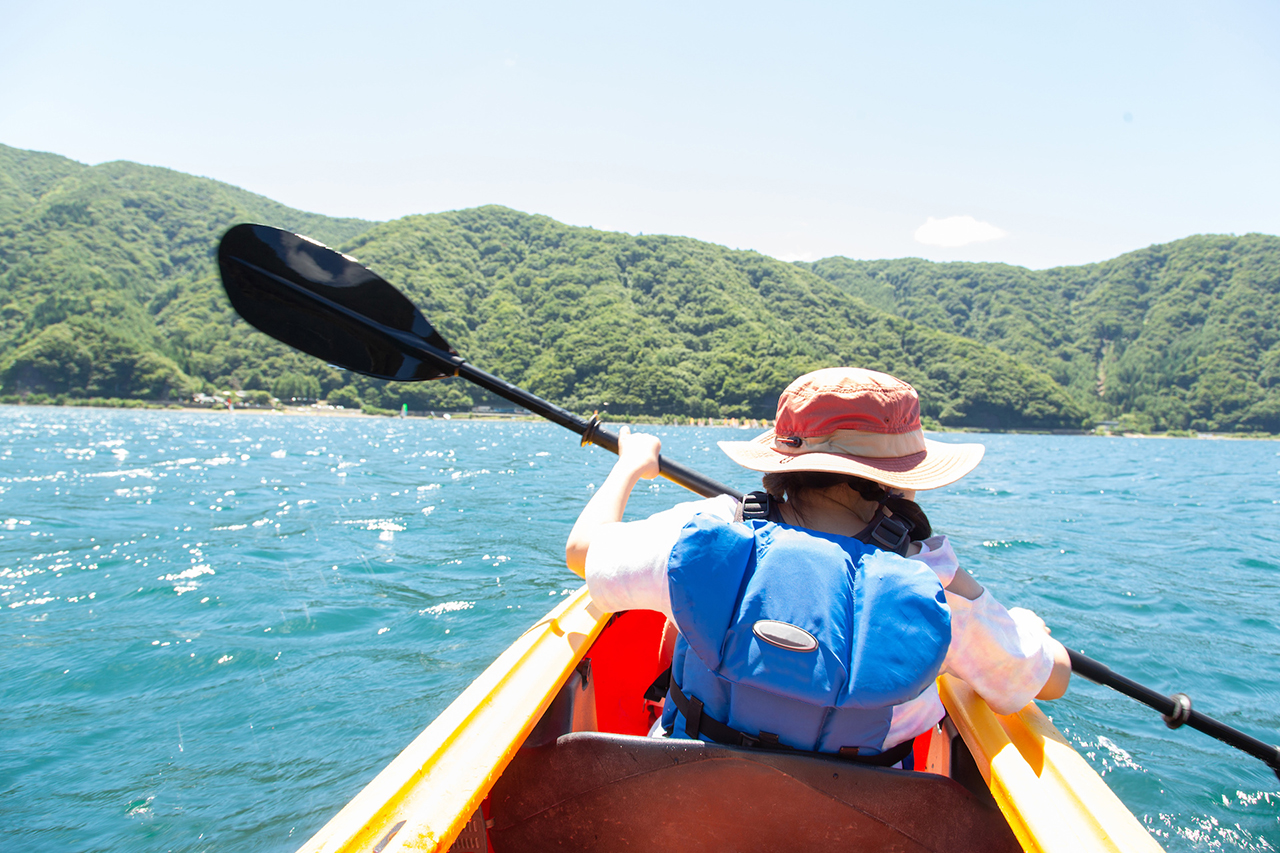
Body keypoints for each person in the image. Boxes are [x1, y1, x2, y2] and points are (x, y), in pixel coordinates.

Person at [565, 367, 1071, 763]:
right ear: (897, 479)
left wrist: (629, 465)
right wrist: (1032, 632)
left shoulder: (708, 532)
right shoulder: (933, 581)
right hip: (854, 822)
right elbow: (1044, 680)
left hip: (684, 799)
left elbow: (583, 551)